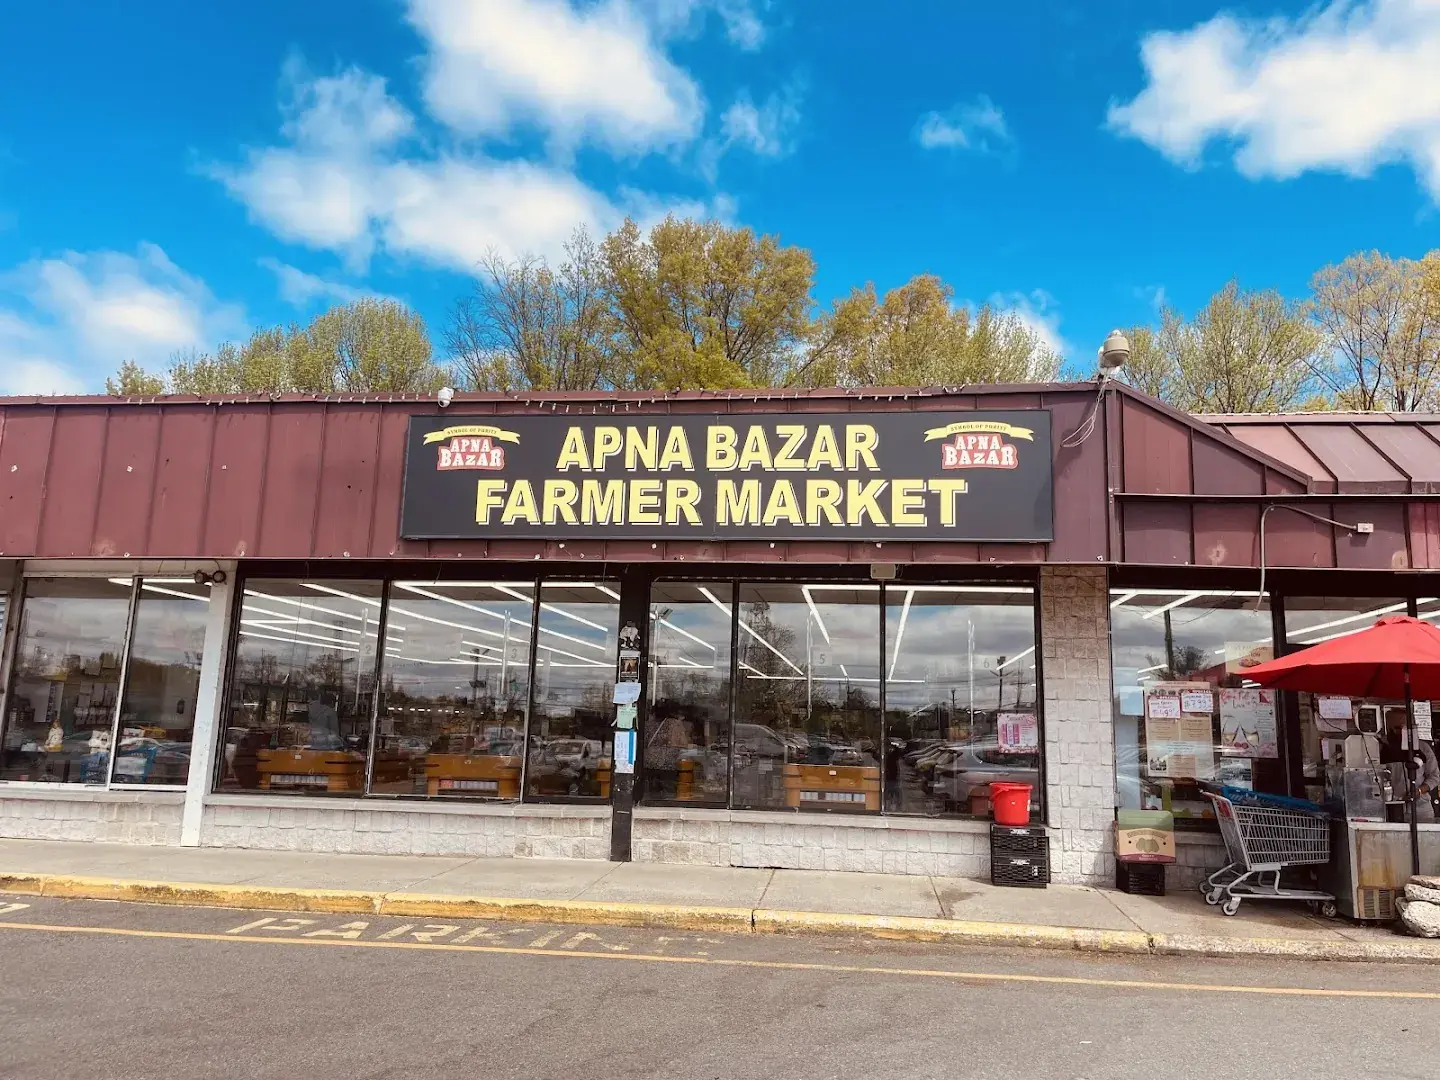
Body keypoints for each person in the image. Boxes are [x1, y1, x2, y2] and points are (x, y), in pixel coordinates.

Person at [1382, 712, 1440, 824]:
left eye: (1400, 728)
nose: (1396, 732)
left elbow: (1435, 776)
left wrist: (1418, 791)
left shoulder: (1422, 748)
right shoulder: (1384, 749)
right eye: (1393, 728)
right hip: (1392, 809)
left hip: (1421, 809)